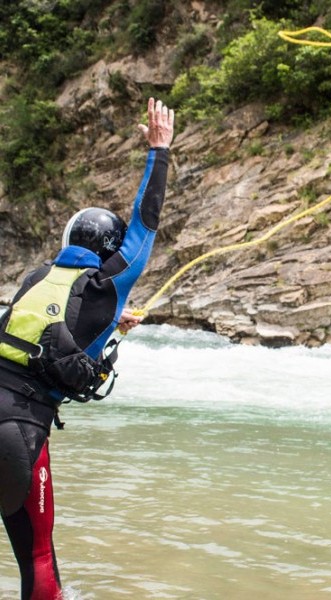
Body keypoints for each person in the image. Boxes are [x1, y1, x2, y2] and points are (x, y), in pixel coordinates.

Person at [0, 97, 174, 599]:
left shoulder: (36, 279)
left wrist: (112, 320)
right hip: (15, 432)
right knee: (37, 561)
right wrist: (158, 151)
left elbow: (46, 329)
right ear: (108, 251)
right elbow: (146, 222)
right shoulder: (110, 280)